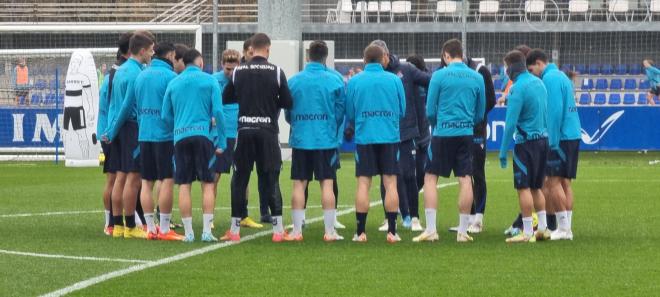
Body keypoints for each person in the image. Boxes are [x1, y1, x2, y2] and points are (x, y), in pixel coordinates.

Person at [221, 33, 293, 242]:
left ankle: (234, 230)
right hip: (267, 131)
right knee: (271, 178)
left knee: (240, 179)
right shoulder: (277, 71)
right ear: (268, 49)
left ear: (251, 49)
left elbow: (227, 98)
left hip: (244, 130)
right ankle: (278, 231)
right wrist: (272, 103)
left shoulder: (239, 71)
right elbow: (288, 102)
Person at [413, 39, 485, 243]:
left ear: (446, 55)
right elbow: (480, 113)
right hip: (465, 134)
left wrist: (438, 125)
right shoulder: (476, 76)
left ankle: (431, 229)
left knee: (430, 178)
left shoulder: (439, 75)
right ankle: (463, 231)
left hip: (442, 133)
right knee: (465, 179)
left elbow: (430, 111)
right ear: (462, 54)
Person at [162, 48, 226, 243]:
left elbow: (165, 116)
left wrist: (178, 126)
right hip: (203, 137)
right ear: (200, 63)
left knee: (184, 185)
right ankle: (206, 231)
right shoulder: (210, 80)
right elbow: (218, 112)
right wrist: (221, 140)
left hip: (180, 137)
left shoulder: (174, 83)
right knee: (208, 184)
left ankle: (189, 233)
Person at [345, 45, 405, 243]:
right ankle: (392, 232)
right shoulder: (394, 80)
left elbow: (350, 113)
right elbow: (402, 110)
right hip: (389, 138)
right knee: (390, 184)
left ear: (364, 60)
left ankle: (361, 232)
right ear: (383, 60)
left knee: (363, 184)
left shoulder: (355, 81)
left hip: (365, 138)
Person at [286, 40, 345, 242]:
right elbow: (340, 112)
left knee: (299, 185)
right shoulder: (335, 80)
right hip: (325, 140)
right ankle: (329, 232)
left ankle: (296, 231)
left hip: (302, 139)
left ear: (308, 56)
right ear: (325, 57)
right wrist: (330, 126)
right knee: (327, 184)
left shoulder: (294, 81)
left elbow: (288, 113)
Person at [369, 40, 431, 233]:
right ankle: (390, 217)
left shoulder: (407, 69)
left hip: (405, 131)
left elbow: (430, 80)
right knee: (386, 176)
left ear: (386, 55)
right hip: (383, 132)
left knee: (408, 175)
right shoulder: (373, 73)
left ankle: (414, 218)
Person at [102, 32, 155, 239]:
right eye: (151, 49)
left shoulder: (119, 71)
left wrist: (111, 130)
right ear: (142, 51)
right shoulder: (136, 73)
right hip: (131, 127)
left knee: (119, 177)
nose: (152, 53)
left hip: (118, 129)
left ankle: (117, 226)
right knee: (133, 178)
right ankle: (131, 226)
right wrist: (114, 130)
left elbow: (114, 105)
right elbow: (125, 106)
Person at [130, 41, 185, 241]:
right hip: (164, 136)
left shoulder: (141, 76)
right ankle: (164, 228)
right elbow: (172, 109)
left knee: (146, 182)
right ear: (170, 55)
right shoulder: (171, 77)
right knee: (167, 179)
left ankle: (150, 228)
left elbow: (135, 104)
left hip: (144, 134)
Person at [527, 48, 581, 240]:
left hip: (562, 137)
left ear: (539, 64)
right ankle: (567, 228)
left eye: (532, 70)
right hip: (572, 134)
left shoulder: (550, 79)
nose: (534, 75)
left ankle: (564, 229)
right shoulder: (561, 76)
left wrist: (553, 141)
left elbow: (555, 112)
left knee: (552, 181)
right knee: (565, 182)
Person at [498, 50, 551, 243]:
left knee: (524, 188)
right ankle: (543, 228)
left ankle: (527, 232)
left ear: (511, 67)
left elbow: (510, 123)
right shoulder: (540, 83)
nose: (504, 71)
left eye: (505, 67)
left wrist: (503, 152)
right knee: (537, 187)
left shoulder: (517, 88)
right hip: (543, 140)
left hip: (525, 143)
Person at [211, 49, 263, 229]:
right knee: (214, 176)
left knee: (243, 176)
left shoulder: (244, 80)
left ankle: (243, 215)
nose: (230, 73)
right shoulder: (214, 80)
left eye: (234, 69)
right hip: (220, 135)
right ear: (222, 65)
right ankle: (209, 219)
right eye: (227, 69)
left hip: (241, 133)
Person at [447, 56, 496, 234]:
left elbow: (490, 100)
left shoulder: (480, 72)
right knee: (464, 174)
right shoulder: (456, 75)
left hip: (476, 132)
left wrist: (476, 118)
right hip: (460, 130)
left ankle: (478, 219)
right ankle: (466, 219)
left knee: (477, 174)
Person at [98, 33, 131, 236]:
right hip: (114, 130)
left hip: (107, 129)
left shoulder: (112, 73)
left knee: (114, 178)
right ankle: (114, 222)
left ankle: (110, 222)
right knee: (120, 177)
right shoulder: (122, 74)